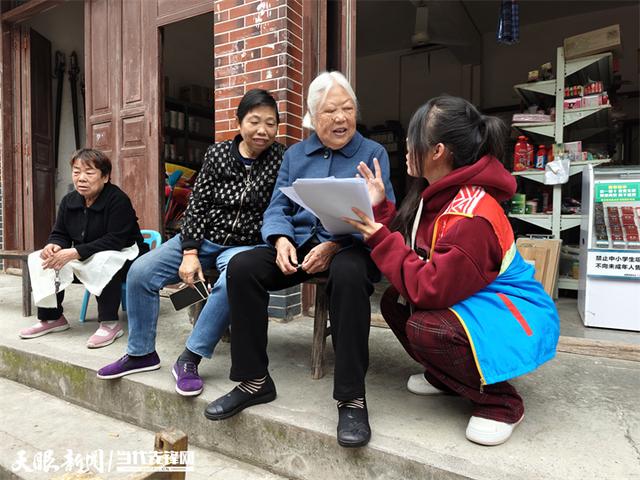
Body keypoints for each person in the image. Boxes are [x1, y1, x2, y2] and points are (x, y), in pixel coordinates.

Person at [343, 95, 559, 446]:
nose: (407, 147)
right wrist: (380, 206)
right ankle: (448, 377)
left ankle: (501, 402)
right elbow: (412, 250)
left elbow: (430, 289)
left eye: (413, 140)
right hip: (480, 301)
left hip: (514, 315)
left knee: (425, 327)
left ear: (438, 151)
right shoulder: (439, 193)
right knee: (395, 302)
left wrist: (379, 237)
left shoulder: (472, 215)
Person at [204, 71, 395, 449]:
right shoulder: (295, 155)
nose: (340, 118)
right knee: (242, 268)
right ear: (312, 116)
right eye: (330, 111)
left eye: (348, 109)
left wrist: (336, 245)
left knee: (350, 274)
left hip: (350, 246)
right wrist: (280, 240)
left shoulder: (373, 153)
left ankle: (352, 398)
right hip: (301, 244)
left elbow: (383, 217)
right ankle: (254, 380)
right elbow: (278, 206)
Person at [97, 89, 286, 398]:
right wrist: (190, 251)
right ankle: (141, 352)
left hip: (244, 246)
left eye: (270, 123)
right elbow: (197, 204)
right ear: (239, 122)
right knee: (141, 271)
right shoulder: (217, 154)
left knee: (234, 278)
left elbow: (282, 207)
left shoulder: (281, 158)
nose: (262, 130)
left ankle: (190, 358)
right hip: (202, 237)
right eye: (254, 121)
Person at [20, 148, 148, 348]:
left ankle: (109, 323)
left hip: (127, 256)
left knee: (105, 260)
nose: (81, 178)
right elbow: (60, 233)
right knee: (40, 258)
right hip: (87, 253)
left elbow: (115, 240)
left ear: (105, 176)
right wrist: (54, 245)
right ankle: (52, 317)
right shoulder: (69, 201)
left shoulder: (118, 200)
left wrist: (74, 252)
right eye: (76, 172)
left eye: (89, 173)